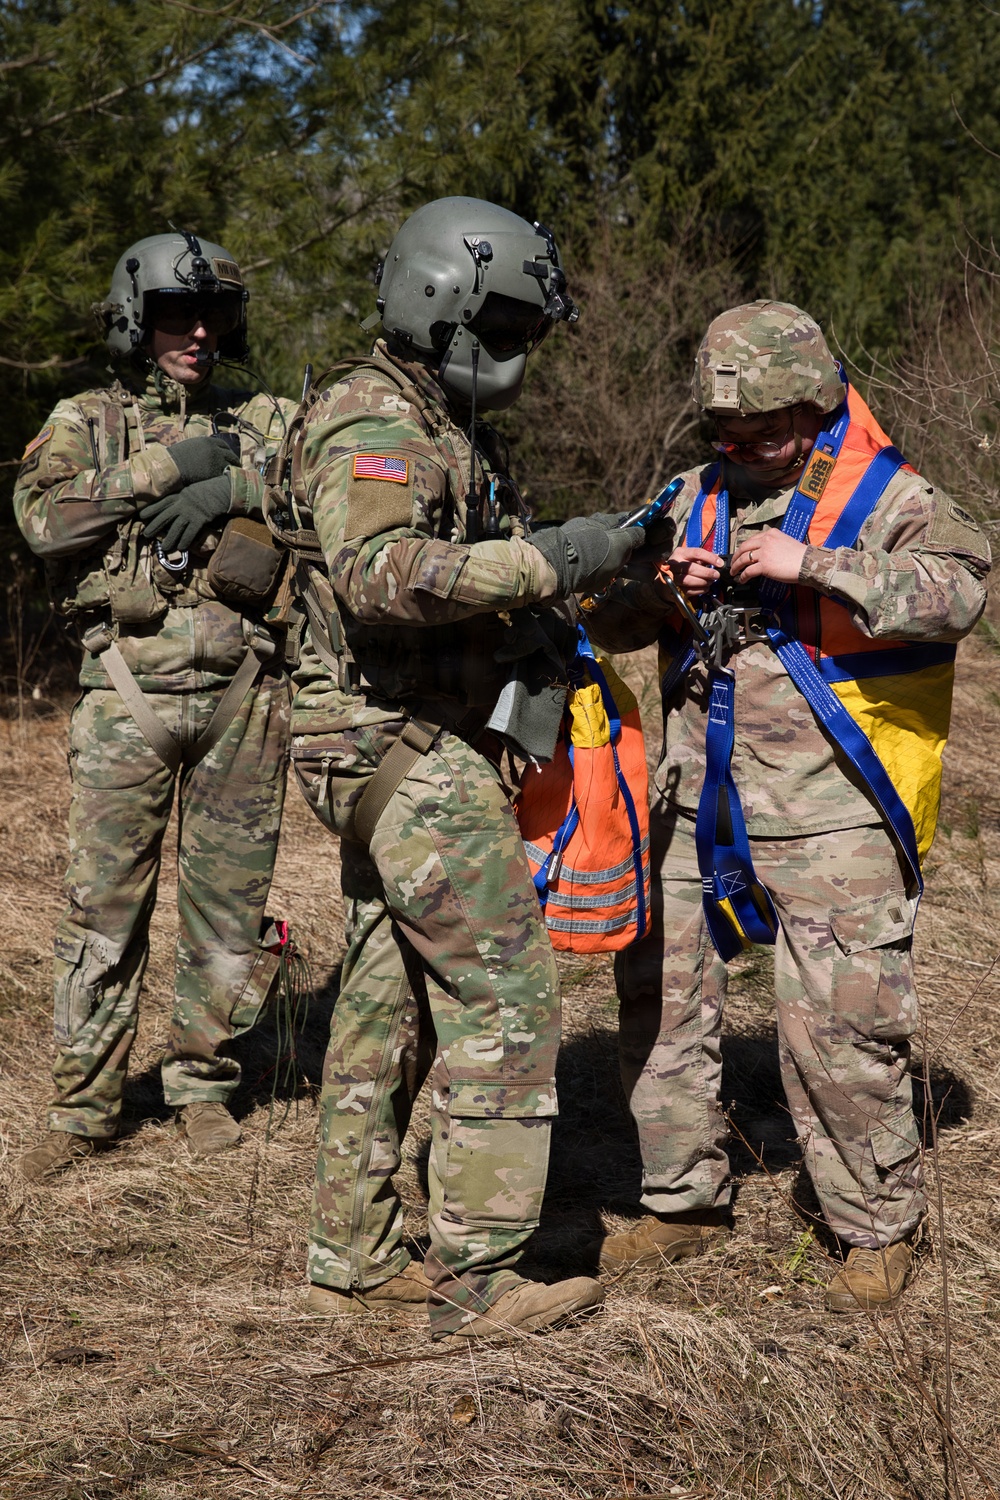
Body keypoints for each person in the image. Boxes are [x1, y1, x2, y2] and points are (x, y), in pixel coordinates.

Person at [582, 300, 990, 1311]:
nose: (749, 445)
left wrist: (815, 565)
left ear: (815, 401)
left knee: (840, 1025)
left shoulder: (888, 493)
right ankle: (681, 1199)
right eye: (730, 430)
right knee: (662, 1001)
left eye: (770, 426)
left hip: (834, 810)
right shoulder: (686, 495)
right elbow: (607, 612)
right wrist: (661, 587)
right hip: (693, 800)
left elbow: (963, 590)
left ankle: (871, 1227)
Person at [282, 196, 642, 1338]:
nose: (521, 351)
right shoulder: (372, 418)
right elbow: (378, 573)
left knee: (387, 998)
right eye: (508, 324)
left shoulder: (437, 422)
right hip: (397, 741)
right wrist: (545, 560)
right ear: (445, 303)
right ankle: (478, 1280)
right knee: (506, 1000)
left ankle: (353, 1249)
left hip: (400, 738)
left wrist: (606, 569)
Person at [15, 230, 297, 1177]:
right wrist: (168, 472)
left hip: (245, 695)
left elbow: (326, 496)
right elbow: (45, 521)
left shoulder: (264, 415)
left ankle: (203, 1085)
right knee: (101, 909)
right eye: (177, 313)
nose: (198, 331)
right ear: (139, 319)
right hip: (124, 692)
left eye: (213, 313)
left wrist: (236, 479)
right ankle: (82, 1105)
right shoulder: (85, 417)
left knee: (230, 910)